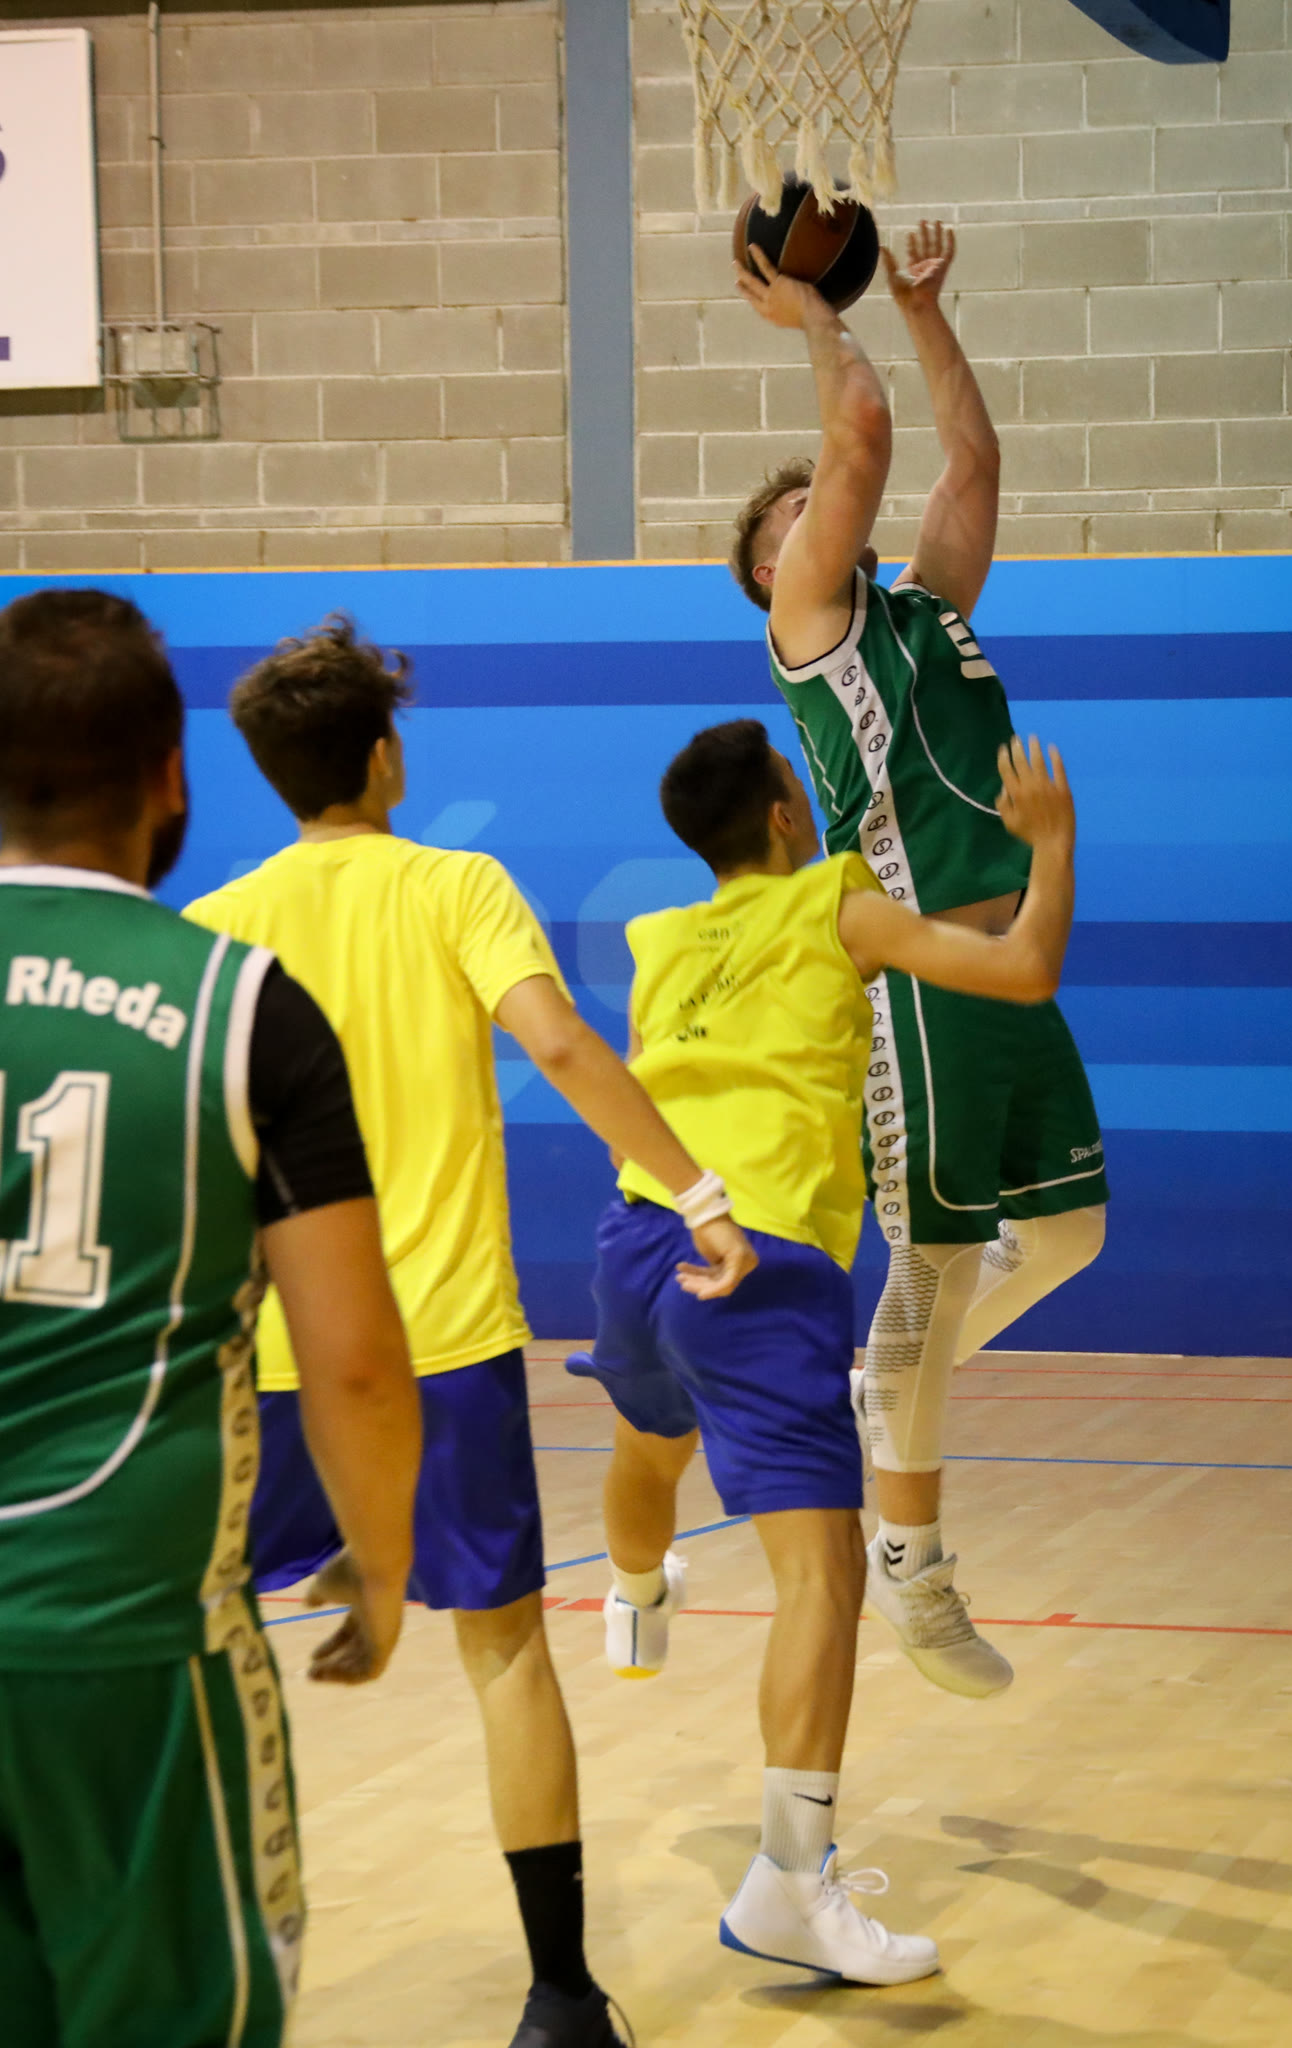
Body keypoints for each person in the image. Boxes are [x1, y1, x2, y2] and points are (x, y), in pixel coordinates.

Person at [184, 618, 755, 2048]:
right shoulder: (456, 884)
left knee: (191, 1655)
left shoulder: (214, 928)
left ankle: (172, 1976)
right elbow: (558, 1042)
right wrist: (696, 1194)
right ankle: (559, 2001)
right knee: (503, 1655)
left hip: (268, 1359)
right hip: (440, 1348)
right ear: (384, 757)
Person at [566, 715, 1075, 1982]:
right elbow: (1023, 970)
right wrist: (1051, 845)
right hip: (758, 1256)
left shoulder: (659, 938)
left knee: (648, 1441)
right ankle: (792, 1882)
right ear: (788, 813)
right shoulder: (835, 902)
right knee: (825, 1575)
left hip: (639, 1233)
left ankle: (633, 1599)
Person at [0, 589, 421, 2048]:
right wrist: (379, 1565)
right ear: (171, 778)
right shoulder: (242, 1005)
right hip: (129, 1645)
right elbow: (353, 1365)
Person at [730, 221, 1109, 1699]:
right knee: (935, 1266)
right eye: (796, 508)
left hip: (1012, 955)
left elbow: (972, 463)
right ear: (774, 571)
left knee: (1067, 1236)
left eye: (815, 497)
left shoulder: (926, 613)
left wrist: (922, 309)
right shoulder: (811, 629)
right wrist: (819, 314)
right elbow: (869, 435)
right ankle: (916, 1563)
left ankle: (889, 1376)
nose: (819, 502)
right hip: (925, 975)